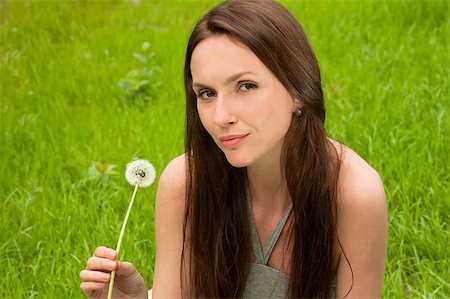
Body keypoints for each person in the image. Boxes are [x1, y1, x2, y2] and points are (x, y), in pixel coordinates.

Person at [80, 0, 388, 298]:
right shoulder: (186, 182)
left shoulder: (353, 194)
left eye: (246, 86)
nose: (221, 117)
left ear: (298, 91)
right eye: (206, 93)